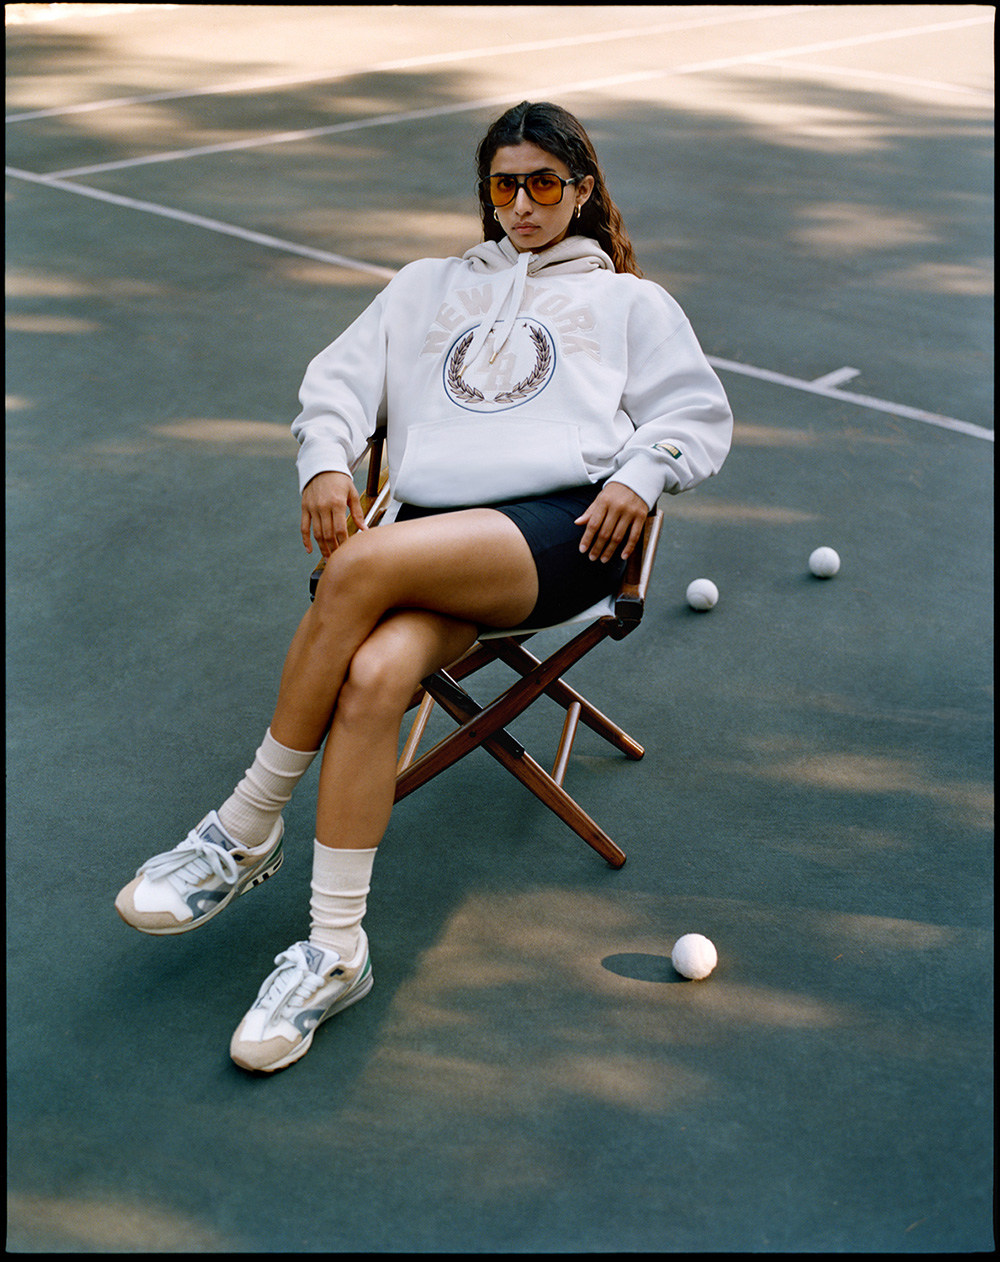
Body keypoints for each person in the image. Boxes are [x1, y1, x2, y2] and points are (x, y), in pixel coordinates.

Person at [115, 100, 733, 1073]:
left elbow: (694, 414)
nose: (522, 205)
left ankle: (244, 825)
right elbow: (336, 385)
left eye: (543, 184)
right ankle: (336, 951)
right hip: (430, 539)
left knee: (357, 564)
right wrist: (325, 461)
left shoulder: (630, 303)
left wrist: (643, 471)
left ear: (581, 190)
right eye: (504, 185)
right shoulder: (423, 287)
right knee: (373, 676)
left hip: (557, 531)